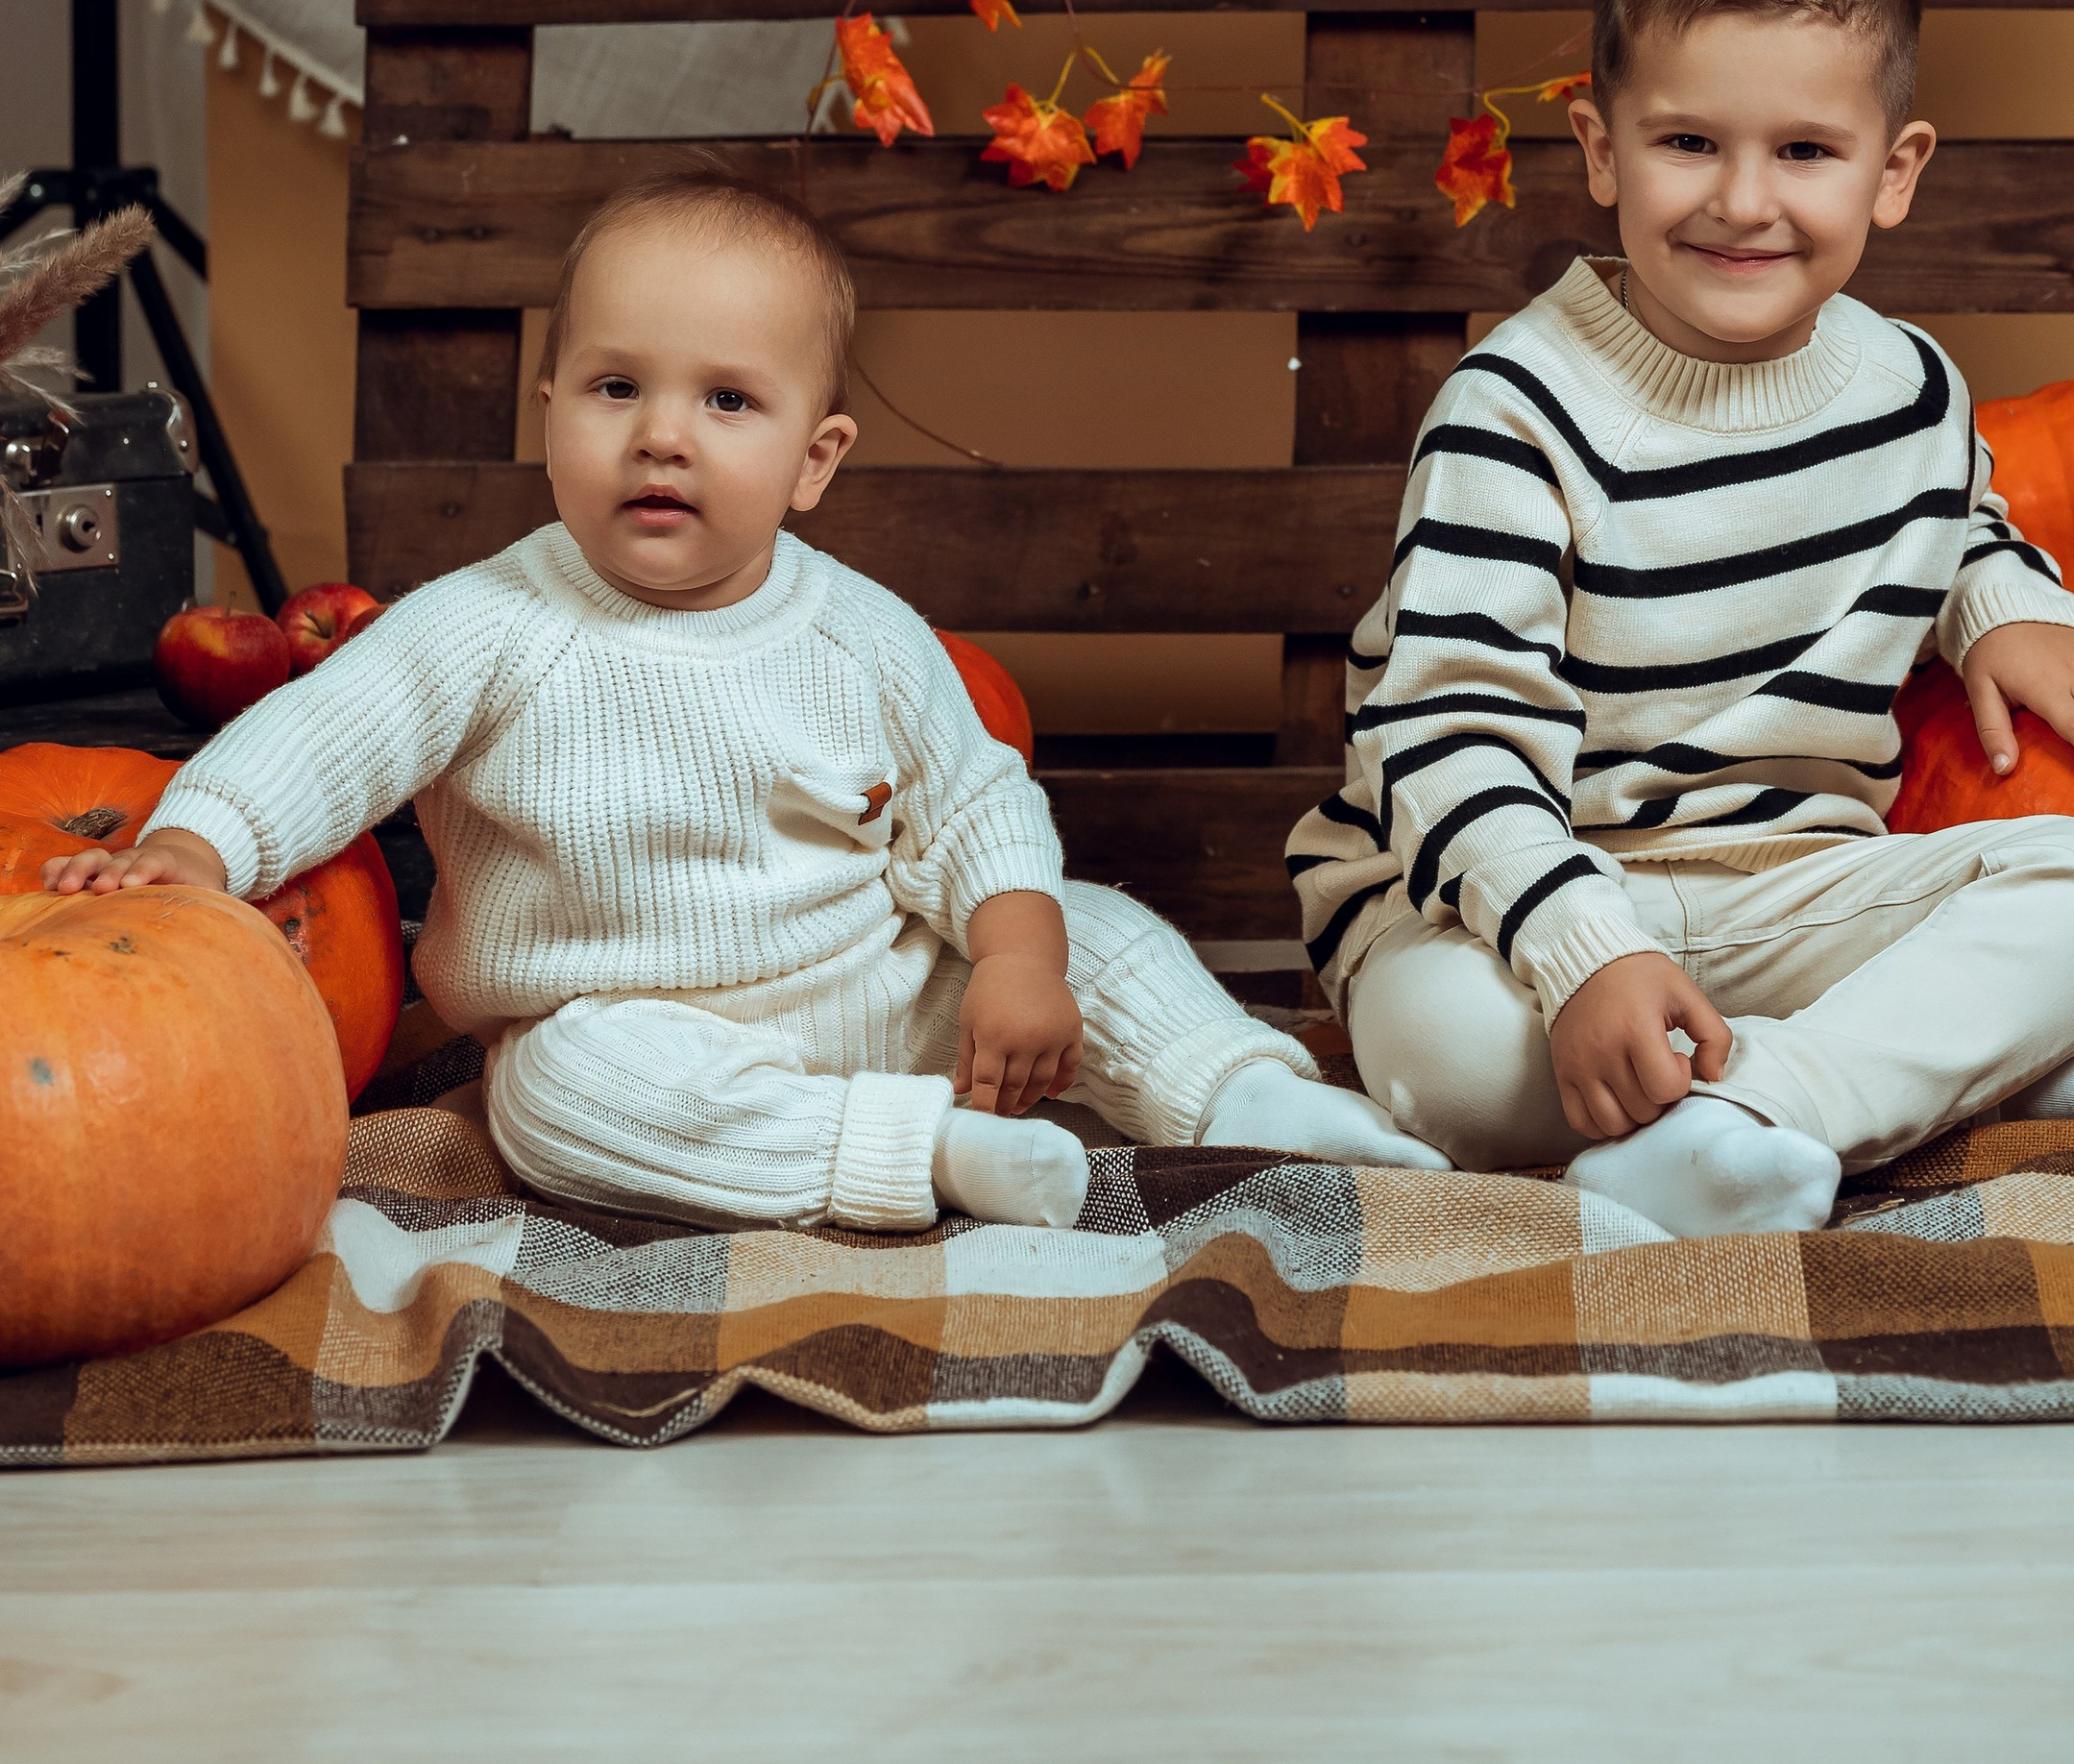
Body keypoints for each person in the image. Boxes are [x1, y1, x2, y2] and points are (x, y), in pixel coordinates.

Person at [49, 172, 1443, 1230]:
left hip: (884, 985)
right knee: (550, 1103)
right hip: (638, 1026)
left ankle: (1246, 1096)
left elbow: (974, 807)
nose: (661, 433)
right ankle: (922, 1154)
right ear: (549, 410)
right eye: (614, 387)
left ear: (813, 458)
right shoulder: (485, 625)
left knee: (1102, 934)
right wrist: (199, 845)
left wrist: (1017, 958)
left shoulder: (858, 631)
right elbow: (320, 735)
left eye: (726, 401)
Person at [1286, 0, 2074, 1241]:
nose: (1742, 201)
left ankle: (1756, 1109)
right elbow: (1450, 731)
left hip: (1787, 887)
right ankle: (1930, 1083)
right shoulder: (1514, 409)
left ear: (1892, 173)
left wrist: (2002, 610)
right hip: (1515, 897)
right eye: (1687, 144)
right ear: (1601, 147)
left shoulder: (1910, 386)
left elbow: (1958, 518)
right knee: (1454, 1062)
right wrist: (1580, 951)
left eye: (1803, 150)